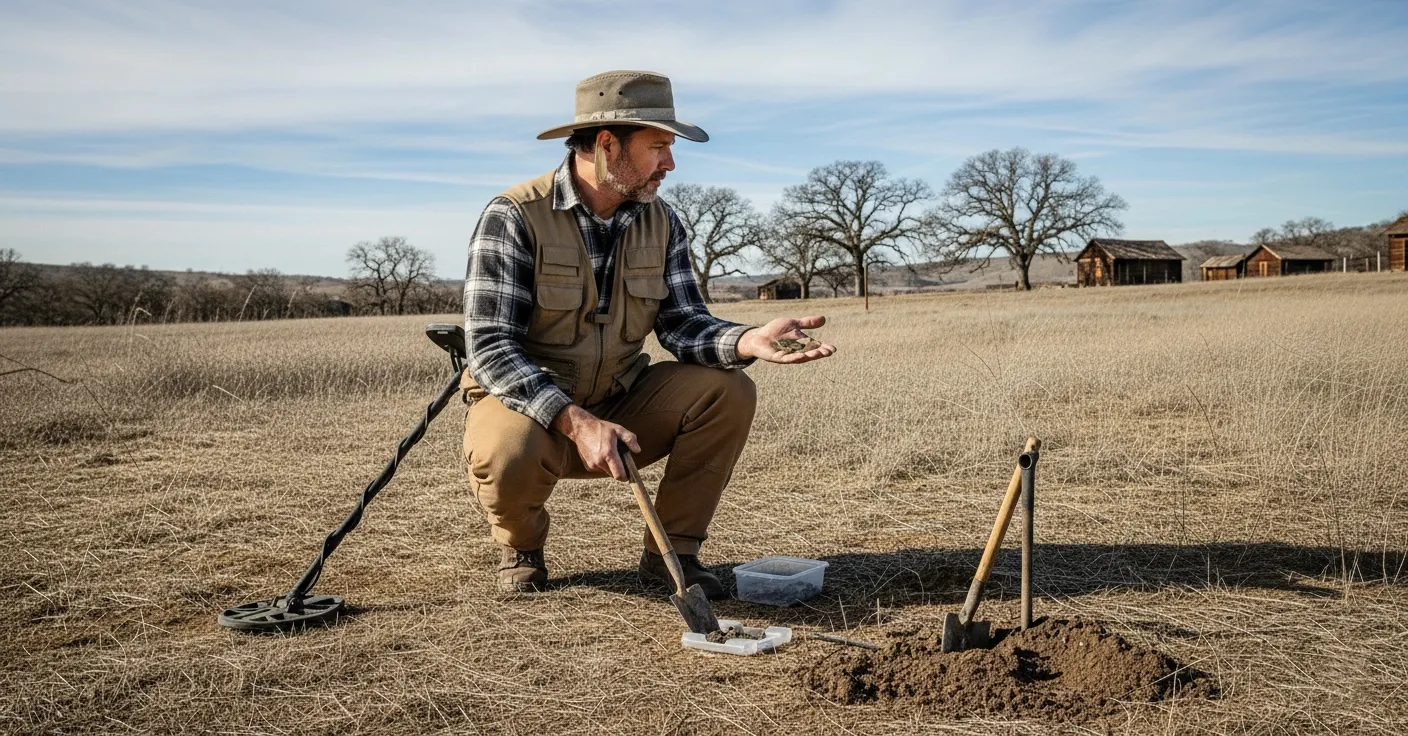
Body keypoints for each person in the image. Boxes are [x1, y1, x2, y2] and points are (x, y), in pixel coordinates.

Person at [462, 69, 835, 596]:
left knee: (729, 389)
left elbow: (683, 324)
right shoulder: (513, 216)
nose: (670, 162)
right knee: (510, 444)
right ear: (606, 145)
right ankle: (521, 548)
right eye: (658, 146)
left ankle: (673, 555)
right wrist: (575, 421)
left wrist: (746, 340)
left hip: (621, 402)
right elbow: (491, 348)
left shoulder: (664, 223)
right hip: (532, 415)